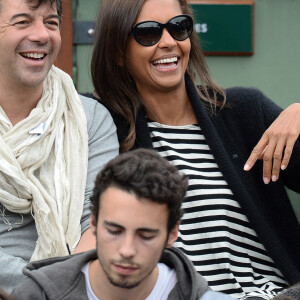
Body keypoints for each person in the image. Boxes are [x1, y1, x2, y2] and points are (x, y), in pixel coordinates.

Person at [87, 0, 300, 299]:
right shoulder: (100, 126)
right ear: (118, 53)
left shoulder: (244, 113)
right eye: (148, 33)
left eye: (179, 27)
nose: (169, 42)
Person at [0, 0, 118, 293]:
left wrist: (65, 288)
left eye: (51, 22)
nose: (42, 35)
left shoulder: (89, 120)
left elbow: (96, 222)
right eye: (23, 22)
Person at [12, 149, 234, 300]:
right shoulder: (37, 295)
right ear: (94, 223)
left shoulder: (198, 296)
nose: (127, 250)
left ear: (172, 233)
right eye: (114, 231)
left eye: (146, 235)